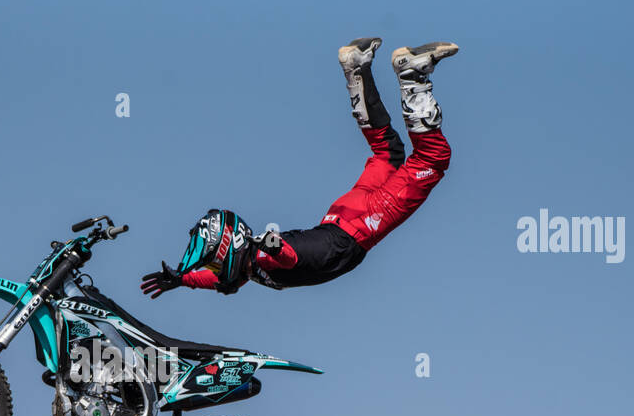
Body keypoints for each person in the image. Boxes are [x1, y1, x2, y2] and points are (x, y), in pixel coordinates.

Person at [140, 39, 458, 297]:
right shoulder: (249, 269)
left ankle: (412, 75)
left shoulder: (262, 257)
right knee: (388, 151)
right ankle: (355, 67)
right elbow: (223, 281)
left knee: (432, 159)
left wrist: (275, 245)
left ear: (229, 248)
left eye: (214, 263)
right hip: (343, 218)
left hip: (358, 226)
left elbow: (289, 256)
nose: (215, 271)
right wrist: (184, 279)